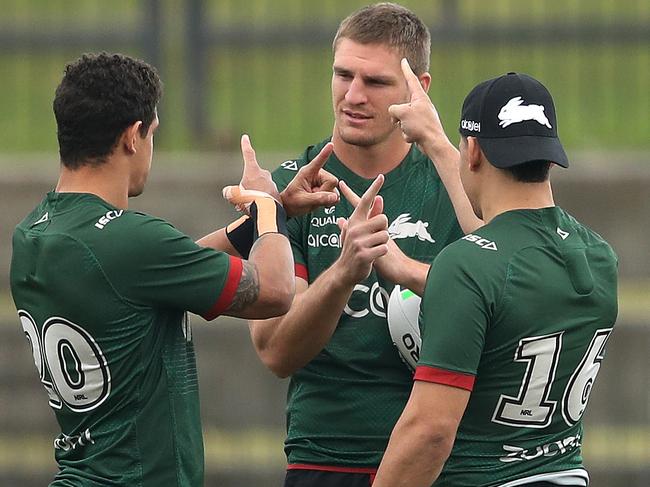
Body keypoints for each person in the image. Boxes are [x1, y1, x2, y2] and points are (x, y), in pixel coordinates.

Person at [9, 52, 338, 487]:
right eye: (153, 135)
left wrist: (260, 224)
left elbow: (155, 274)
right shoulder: (131, 242)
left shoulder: (33, 233)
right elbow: (276, 291)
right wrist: (268, 208)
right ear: (132, 137)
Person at [248, 4, 481, 486]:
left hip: (434, 461)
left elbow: (507, 284)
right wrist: (343, 272)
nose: (353, 96)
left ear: (420, 88)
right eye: (342, 75)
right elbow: (274, 350)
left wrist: (439, 146)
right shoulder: (291, 192)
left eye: (374, 82)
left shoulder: (452, 189)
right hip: (325, 459)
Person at [372, 64, 619, 486]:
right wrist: (434, 140)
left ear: (472, 152)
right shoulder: (599, 257)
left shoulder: (467, 266)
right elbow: (511, 254)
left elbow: (429, 432)